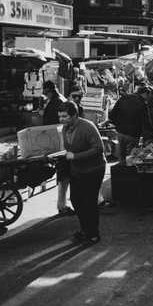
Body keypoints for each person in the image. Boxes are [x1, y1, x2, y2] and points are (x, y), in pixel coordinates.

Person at [58, 101, 106, 244]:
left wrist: (76, 156)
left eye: (65, 116)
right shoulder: (65, 129)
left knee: (89, 202)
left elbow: (99, 148)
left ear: (74, 115)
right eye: (60, 116)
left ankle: (93, 233)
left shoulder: (87, 127)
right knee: (76, 200)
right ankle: (85, 229)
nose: (61, 119)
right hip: (77, 170)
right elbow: (68, 148)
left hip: (93, 169)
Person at [43, 81, 75, 216]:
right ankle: (62, 205)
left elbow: (49, 125)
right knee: (65, 175)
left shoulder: (55, 103)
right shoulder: (59, 100)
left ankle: (62, 205)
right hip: (62, 144)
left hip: (60, 144)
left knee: (64, 176)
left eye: (44, 90)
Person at [109, 86, 151, 165]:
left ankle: (121, 173)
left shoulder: (123, 98)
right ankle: (129, 174)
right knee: (131, 158)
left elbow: (112, 115)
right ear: (145, 94)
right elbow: (147, 121)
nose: (148, 98)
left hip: (120, 132)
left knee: (122, 156)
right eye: (148, 96)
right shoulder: (143, 103)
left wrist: (118, 125)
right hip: (133, 135)